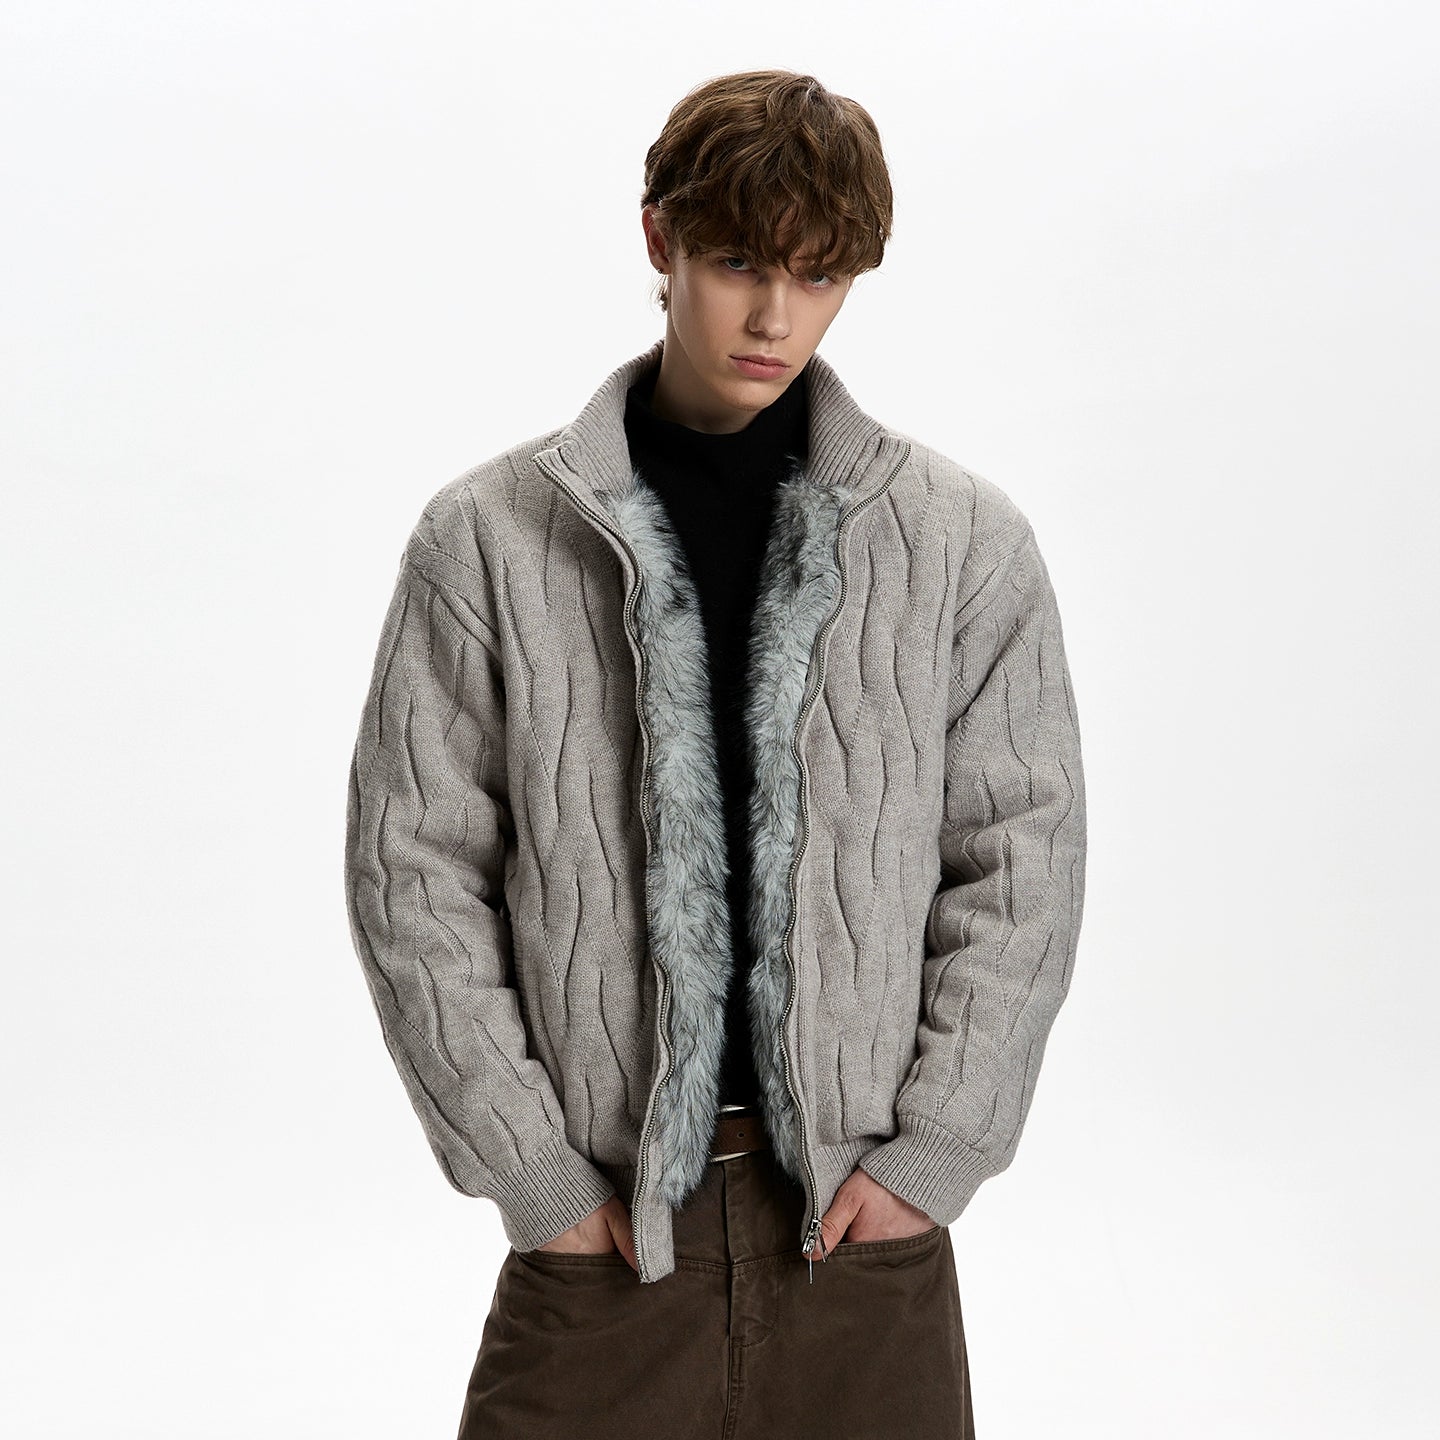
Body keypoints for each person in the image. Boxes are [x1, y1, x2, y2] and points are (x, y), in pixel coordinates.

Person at [343, 68, 1087, 1440]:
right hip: (606, 1243)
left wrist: (936, 1153)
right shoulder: (489, 540)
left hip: (862, 1242)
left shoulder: (963, 544)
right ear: (660, 238)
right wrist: (533, 1176)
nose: (774, 316)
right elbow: (415, 873)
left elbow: (1021, 862)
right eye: (740, 261)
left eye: (819, 274)